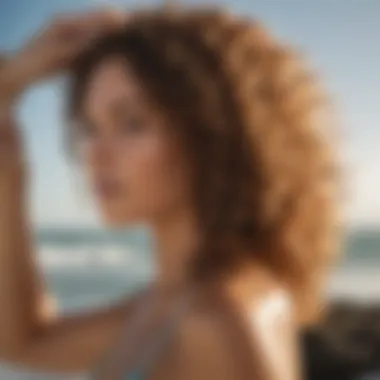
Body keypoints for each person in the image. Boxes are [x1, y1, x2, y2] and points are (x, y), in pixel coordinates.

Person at [0, 5, 340, 380]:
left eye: (131, 124)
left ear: (210, 134)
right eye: (90, 127)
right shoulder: (167, 300)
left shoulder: (220, 322)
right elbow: (22, 342)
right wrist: (7, 87)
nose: (95, 154)